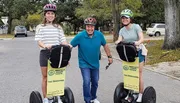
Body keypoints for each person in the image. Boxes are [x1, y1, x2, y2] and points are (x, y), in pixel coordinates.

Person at [70, 17, 113, 103]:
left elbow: (105, 45)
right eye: (88, 26)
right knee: (86, 81)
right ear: (85, 27)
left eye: (92, 26)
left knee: (95, 82)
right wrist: (66, 58)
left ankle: (93, 97)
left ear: (94, 27)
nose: (90, 28)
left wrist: (109, 56)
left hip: (95, 63)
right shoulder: (80, 36)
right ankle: (87, 100)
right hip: (84, 63)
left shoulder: (99, 35)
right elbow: (70, 46)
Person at [35, 3, 69, 103]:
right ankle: (46, 98)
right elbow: (39, 41)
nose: (50, 15)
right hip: (45, 53)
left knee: (57, 76)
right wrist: (45, 45)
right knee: (45, 76)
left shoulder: (58, 27)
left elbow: (62, 40)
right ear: (45, 15)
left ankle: (57, 96)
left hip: (57, 53)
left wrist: (67, 45)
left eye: (52, 14)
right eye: (48, 13)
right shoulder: (40, 27)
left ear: (55, 15)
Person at [115, 9, 145, 102]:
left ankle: (140, 94)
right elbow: (120, 39)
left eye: (126, 18)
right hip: (128, 54)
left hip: (138, 52)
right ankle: (130, 93)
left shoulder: (136, 27)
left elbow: (142, 38)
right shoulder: (122, 30)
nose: (124, 19)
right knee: (129, 74)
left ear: (130, 19)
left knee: (139, 74)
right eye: (123, 18)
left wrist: (137, 42)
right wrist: (117, 41)